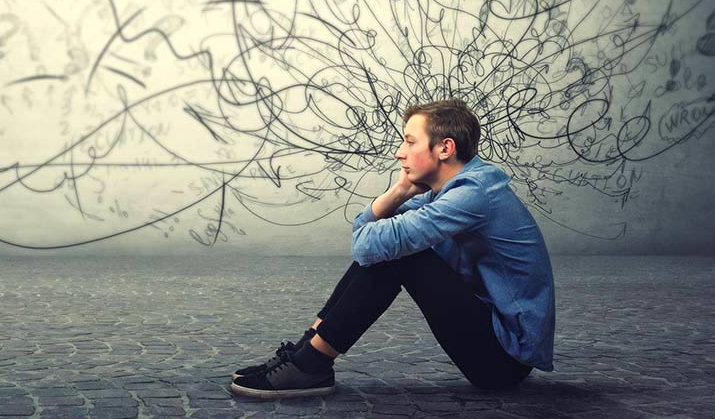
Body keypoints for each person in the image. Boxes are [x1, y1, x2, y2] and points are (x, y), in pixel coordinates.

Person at [230, 98, 556, 399]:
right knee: (391, 247)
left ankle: (310, 363)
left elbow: (366, 244)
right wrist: (399, 192)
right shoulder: (453, 189)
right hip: (493, 338)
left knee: (402, 255)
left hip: (503, 359)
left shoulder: (473, 194)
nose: (400, 152)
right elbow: (366, 235)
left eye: (409, 141)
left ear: (445, 148)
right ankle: (305, 356)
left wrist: (396, 200)